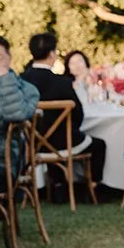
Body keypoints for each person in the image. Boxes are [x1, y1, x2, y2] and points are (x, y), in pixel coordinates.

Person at [23, 31, 106, 192]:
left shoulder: (21, 81)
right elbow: (78, 116)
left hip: (31, 143)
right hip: (64, 143)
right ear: (52, 54)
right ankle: (95, 187)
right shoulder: (62, 83)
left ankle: (58, 186)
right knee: (99, 145)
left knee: (52, 139)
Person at [0, 34, 40, 201]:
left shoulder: (27, 89)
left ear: (9, 58)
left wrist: (4, 79)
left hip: (1, 164)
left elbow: (16, 115)